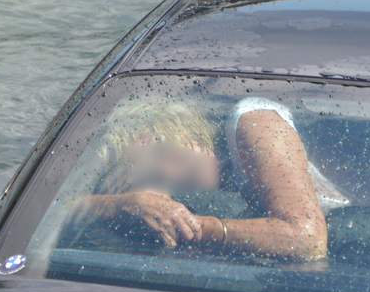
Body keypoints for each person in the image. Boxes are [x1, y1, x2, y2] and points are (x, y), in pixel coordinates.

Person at [75, 97, 328, 262]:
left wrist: (189, 225)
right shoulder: (223, 186)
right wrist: (123, 204)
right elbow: (58, 208)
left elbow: (306, 240)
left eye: (164, 150)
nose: (172, 172)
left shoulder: (253, 122)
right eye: (156, 177)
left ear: (184, 125)